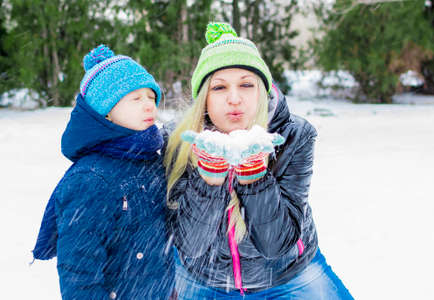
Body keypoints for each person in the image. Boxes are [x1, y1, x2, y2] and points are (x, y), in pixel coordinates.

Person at [164, 23, 354, 299]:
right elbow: (191, 246)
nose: (234, 99)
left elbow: (276, 244)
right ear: (204, 98)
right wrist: (210, 180)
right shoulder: (180, 140)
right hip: (205, 281)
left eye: (246, 84)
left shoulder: (292, 136)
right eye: (219, 88)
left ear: (262, 91)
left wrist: (253, 176)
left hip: (288, 276)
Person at [32, 45, 174, 299]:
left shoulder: (151, 157)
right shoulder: (90, 180)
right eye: (136, 98)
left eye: (151, 97)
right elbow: (79, 271)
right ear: (106, 110)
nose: (149, 106)